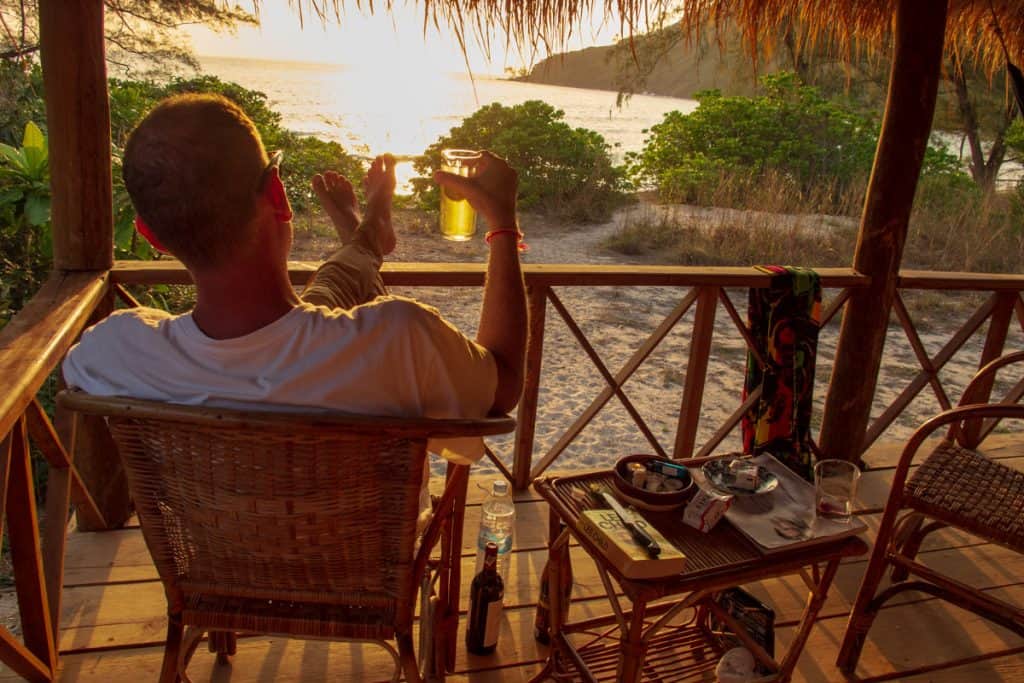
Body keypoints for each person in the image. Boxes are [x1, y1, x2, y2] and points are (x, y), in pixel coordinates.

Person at [62, 93, 527, 492]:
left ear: (151, 235)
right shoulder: (403, 337)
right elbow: (503, 385)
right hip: (375, 578)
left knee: (322, 305)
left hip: (216, 575)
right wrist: (503, 225)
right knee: (324, 314)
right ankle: (364, 239)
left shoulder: (114, 350)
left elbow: (274, 351)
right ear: (277, 197)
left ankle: (364, 240)